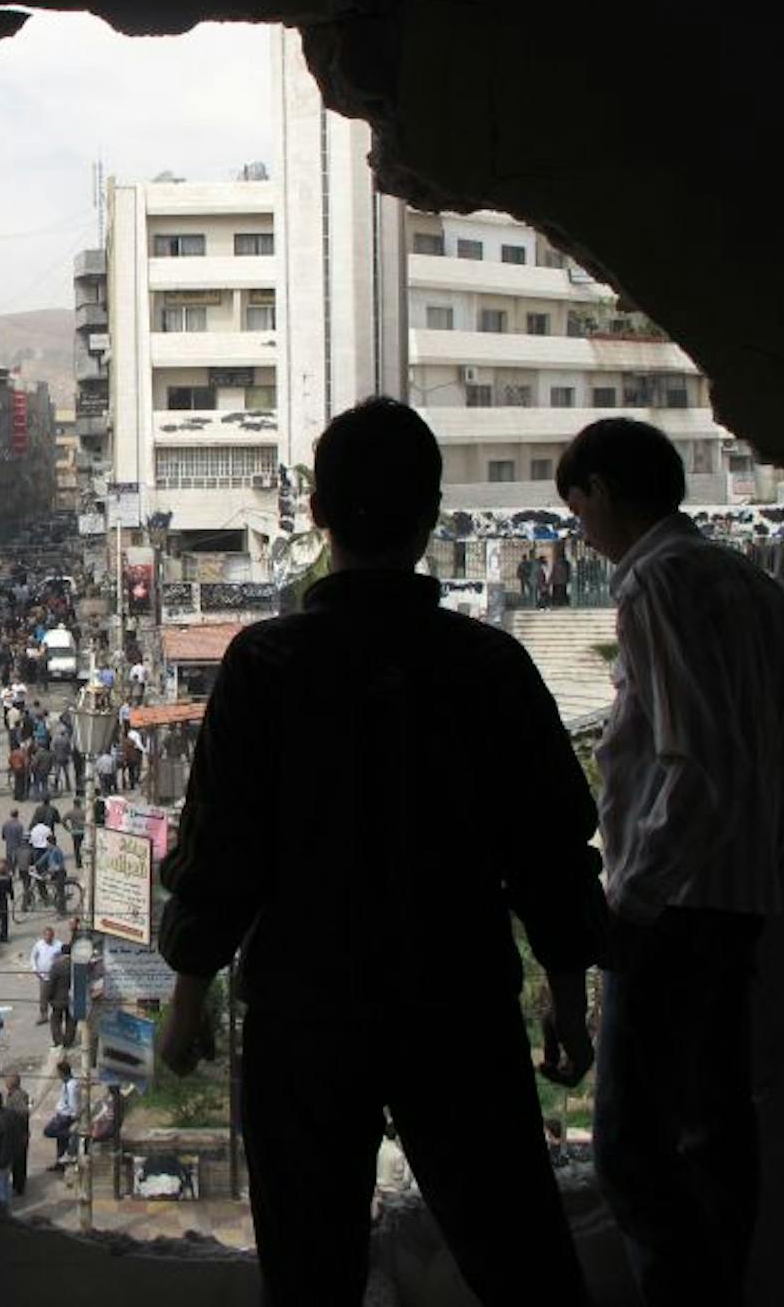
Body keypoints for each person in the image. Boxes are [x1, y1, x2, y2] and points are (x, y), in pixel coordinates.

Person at [156, 397, 605, 1306]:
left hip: (305, 1017)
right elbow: (552, 847)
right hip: (459, 1008)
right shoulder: (488, 666)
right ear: (432, 517)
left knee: (310, 1270)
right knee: (521, 1260)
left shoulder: (266, 665)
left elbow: (223, 850)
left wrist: (189, 995)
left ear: (316, 513)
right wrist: (564, 993)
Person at [557, 418, 784, 1307]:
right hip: (739, 896)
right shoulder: (750, 581)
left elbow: (693, 762)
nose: (579, 527)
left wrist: (637, 901)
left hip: (678, 905)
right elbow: (773, 749)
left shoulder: (655, 583)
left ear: (603, 494)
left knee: (632, 1144)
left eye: (577, 506)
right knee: (714, 1130)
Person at [32, 925, 65, 1025]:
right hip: (43, 976)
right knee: (44, 996)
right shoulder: (38, 945)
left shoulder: (59, 945)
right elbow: (33, 957)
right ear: (43, 936)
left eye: (50, 936)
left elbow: (64, 957)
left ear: (53, 936)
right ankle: (43, 1015)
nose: (48, 938)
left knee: (56, 995)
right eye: (46, 935)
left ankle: (58, 1014)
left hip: (56, 976)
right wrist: (35, 969)